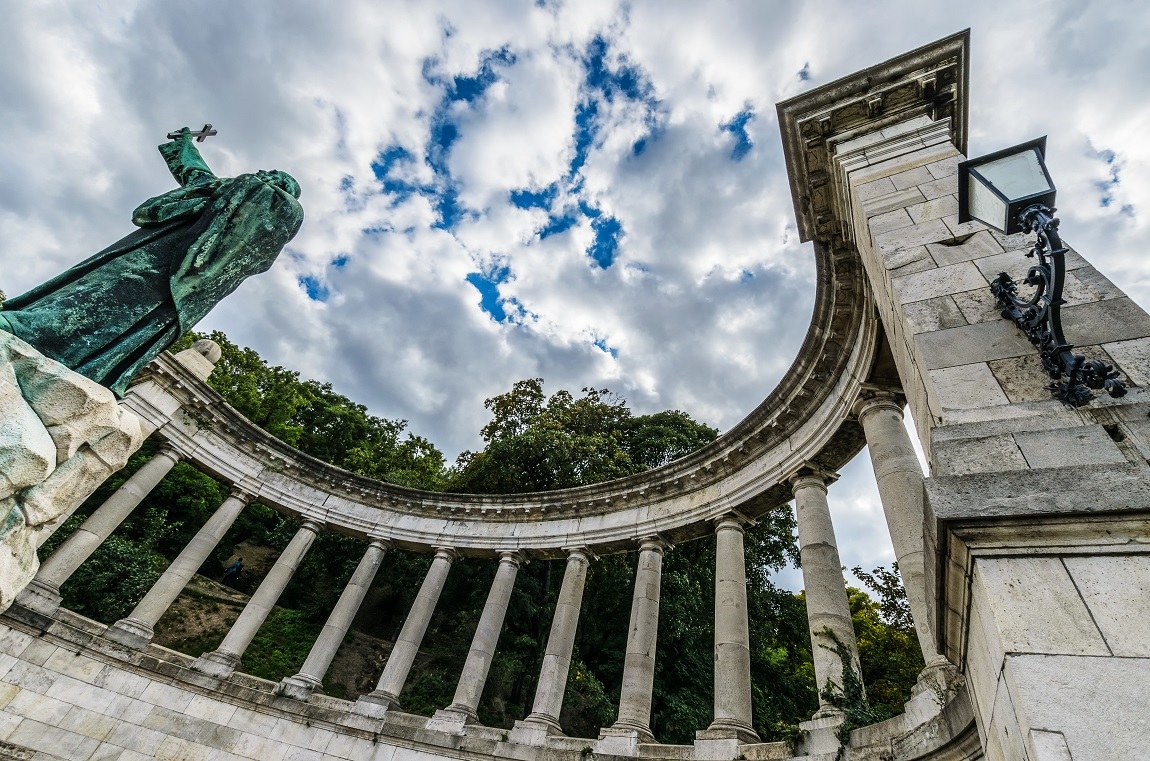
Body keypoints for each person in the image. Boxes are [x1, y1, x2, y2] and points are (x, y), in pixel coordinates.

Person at [0, 128, 304, 396]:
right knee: (118, 305)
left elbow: (201, 181)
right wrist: (186, 146)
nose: (262, 176)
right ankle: (85, 359)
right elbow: (202, 181)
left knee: (104, 292)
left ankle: (29, 328)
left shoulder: (255, 194)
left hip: (163, 257)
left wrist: (186, 146)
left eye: (270, 176)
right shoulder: (262, 232)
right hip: (185, 295)